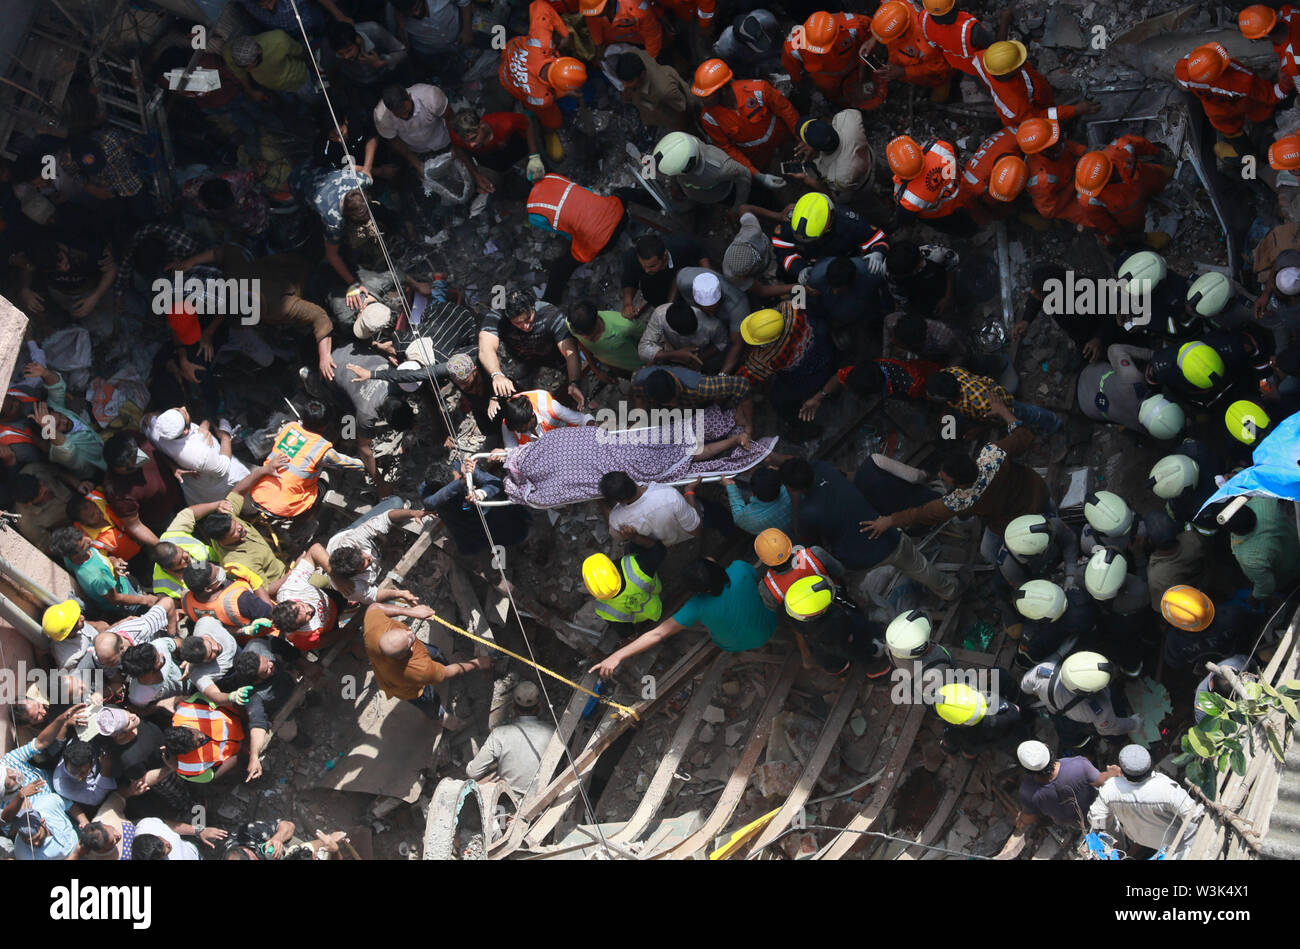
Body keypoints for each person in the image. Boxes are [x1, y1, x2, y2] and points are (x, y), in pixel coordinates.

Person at [862, 403, 1049, 563]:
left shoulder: (961, 501)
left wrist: (890, 520)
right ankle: (1049, 517)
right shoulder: (993, 455)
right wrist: (1002, 410)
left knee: (989, 552)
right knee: (1048, 513)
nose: (941, 476)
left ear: (958, 481)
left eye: (944, 475)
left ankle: (1019, 560)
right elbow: (1024, 435)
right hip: (1037, 491)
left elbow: (921, 514)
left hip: (1012, 521)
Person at [781, 457, 957, 601]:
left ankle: (874, 608)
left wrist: (795, 500)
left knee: (867, 587)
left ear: (792, 488)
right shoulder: (825, 468)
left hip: (857, 560)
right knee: (920, 568)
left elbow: (804, 538)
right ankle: (951, 591)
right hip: (887, 538)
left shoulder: (805, 513)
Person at [591, 557, 777, 676]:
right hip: (769, 624)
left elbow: (658, 634)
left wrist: (617, 656)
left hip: (735, 644)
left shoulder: (696, 606)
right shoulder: (739, 569)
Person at [362, 602, 491, 725]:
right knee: (429, 700)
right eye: (409, 640)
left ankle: (443, 662)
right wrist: (477, 663)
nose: (410, 633)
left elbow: (374, 607)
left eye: (405, 632)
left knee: (436, 653)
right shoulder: (417, 669)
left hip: (404, 659)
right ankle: (440, 718)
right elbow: (449, 672)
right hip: (409, 689)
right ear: (405, 654)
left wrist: (411, 612)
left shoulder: (375, 629)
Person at [526, 174, 628, 304]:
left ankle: (549, 305)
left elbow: (566, 233)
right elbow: (587, 192)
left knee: (560, 268)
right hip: (620, 215)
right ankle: (658, 204)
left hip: (604, 243)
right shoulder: (551, 177)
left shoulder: (534, 215)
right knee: (624, 192)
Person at [1088, 744, 1202, 858]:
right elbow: (1194, 816)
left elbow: (1097, 819)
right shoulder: (1166, 789)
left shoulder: (1109, 788)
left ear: (1122, 770)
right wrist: (1186, 847)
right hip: (1173, 841)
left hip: (1141, 839)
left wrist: (1113, 837)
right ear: (1150, 764)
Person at [692, 58, 799, 175]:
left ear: (722, 91)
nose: (702, 100)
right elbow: (726, 148)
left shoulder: (758, 89)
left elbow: (786, 111)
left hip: (784, 138)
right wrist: (756, 174)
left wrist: (802, 138)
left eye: (706, 96)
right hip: (759, 158)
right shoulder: (709, 118)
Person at [478, 289, 585, 406]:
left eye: (528, 319)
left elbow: (570, 352)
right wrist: (496, 375)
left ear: (533, 307)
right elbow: (485, 347)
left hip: (555, 357)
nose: (525, 326)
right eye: (517, 323)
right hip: (523, 359)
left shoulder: (550, 314)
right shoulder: (498, 316)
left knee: (574, 384)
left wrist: (574, 382)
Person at [140, 408, 251, 506]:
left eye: (178, 410)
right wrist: (225, 438)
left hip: (199, 477)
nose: (183, 408)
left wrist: (205, 424)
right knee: (243, 496)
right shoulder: (198, 454)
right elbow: (223, 468)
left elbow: (147, 417)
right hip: (220, 481)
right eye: (183, 413)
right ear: (185, 431)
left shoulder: (155, 429)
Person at [465, 681, 558, 795]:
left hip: (509, 800)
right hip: (543, 799)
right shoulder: (553, 733)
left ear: (513, 706)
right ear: (539, 706)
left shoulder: (500, 734)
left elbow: (473, 772)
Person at [325, 501, 426, 605]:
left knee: (396, 502)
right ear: (355, 573)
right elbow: (374, 595)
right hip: (367, 569)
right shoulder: (352, 589)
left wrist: (413, 513)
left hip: (351, 533)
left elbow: (386, 517)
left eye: (363, 554)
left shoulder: (354, 539)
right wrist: (400, 594)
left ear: (355, 548)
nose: (369, 557)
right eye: (364, 563)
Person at [47, 528, 154, 620]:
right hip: (128, 601)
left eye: (84, 537)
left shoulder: (72, 558)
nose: (89, 540)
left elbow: (104, 558)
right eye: (84, 544)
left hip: (122, 582)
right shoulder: (95, 576)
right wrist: (145, 600)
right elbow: (115, 599)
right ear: (74, 555)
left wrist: (115, 562)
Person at [1014, 739, 1117, 831]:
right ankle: (1114, 837)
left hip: (1075, 823)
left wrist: (1022, 818)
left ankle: (1096, 831)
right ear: (1047, 748)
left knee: (1093, 828)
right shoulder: (1078, 765)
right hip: (1096, 815)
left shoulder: (1027, 791)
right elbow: (1102, 782)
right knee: (1109, 829)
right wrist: (1111, 773)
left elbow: (1030, 817)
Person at [781, 11, 873, 105]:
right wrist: (798, 82)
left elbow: (872, 33)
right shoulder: (793, 46)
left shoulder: (852, 25)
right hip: (826, 79)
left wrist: (864, 66)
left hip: (855, 66)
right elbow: (791, 68)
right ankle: (838, 103)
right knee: (832, 94)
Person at [1224, 496, 1300, 605]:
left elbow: (1266, 586)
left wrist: (1254, 599)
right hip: (1293, 542)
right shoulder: (1262, 499)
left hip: (1287, 572)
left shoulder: (1250, 557)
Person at [373, 83, 456, 177]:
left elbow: (450, 118)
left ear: (410, 96)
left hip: (445, 139)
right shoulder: (381, 117)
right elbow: (395, 141)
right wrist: (417, 164)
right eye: (398, 114)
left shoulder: (431, 96)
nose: (404, 116)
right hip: (417, 152)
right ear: (389, 110)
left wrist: (456, 146)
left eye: (405, 110)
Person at [621, 233, 707, 317]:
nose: (646, 270)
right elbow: (629, 279)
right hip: (657, 294)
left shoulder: (679, 245)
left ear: (665, 256)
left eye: (652, 266)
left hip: (687, 288)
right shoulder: (633, 257)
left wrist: (707, 277)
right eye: (643, 266)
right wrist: (627, 303)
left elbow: (700, 252)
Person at [223, 32, 318, 106]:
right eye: (244, 67)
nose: (248, 70)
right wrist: (250, 91)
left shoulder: (278, 40)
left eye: (251, 65)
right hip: (276, 88)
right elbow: (241, 74)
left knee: (313, 100)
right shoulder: (230, 53)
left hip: (298, 81)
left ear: (259, 52)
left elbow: (301, 53)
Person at [611, 49, 693, 133]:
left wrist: (680, 131)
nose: (625, 86)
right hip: (654, 109)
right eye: (623, 82)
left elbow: (683, 108)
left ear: (642, 75)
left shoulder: (664, 90)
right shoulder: (633, 56)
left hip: (672, 112)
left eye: (630, 82)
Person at [637, 299, 730, 372]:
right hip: (674, 357)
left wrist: (698, 359)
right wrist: (675, 355)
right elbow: (643, 349)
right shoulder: (660, 316)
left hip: (706, 359)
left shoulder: (713, 325)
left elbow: (721, 343)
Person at [566, 301, 646, 377]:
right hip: (617, 366)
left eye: (590, 334)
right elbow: (581, 344)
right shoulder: (573, 323)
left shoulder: (625, 326)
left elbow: (651, 334)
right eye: (581, 335)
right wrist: (596, 370)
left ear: (596, 319)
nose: (586, 338)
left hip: (644, 364)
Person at [720, 468, 793, 536]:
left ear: (752, 493)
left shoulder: (750, 519)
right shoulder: (793, 490)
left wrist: (731, 487)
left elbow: (738, 517)